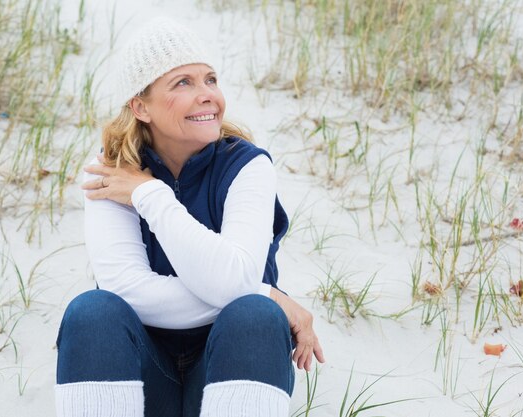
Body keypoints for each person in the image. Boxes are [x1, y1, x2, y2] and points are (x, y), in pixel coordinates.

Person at [54, 17, 325, 417]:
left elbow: (234, 281)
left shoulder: (248, 167)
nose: (207, 95)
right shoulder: (109, 171)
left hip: (231, 363)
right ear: (140, 106)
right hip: (142, 373)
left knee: (254, 317)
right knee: (92, 312)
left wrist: (150, 195)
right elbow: (126, 290)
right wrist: (265, 291)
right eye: (183, 82)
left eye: (210, 79)